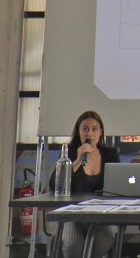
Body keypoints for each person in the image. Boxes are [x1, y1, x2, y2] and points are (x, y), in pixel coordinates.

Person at [48, 110, 120, 258]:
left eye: (94, 129)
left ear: (100, 132)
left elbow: (118, 185)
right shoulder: (69, 152)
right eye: (85, 129)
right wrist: (78, 160)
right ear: (78, 131)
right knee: (73, 246)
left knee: (104, 239)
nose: (89, 134)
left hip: (102, 213)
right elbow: (55, 185)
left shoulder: (110, 154)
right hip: (72, 212)